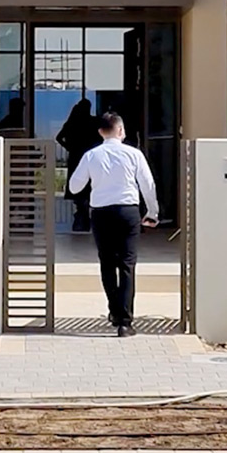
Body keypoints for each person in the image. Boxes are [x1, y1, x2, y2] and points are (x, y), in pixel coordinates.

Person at [66, 112, 160, 337]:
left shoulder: (91, 156)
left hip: (101, 213)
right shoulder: (134, 154)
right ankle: (125, 323)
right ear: (120, 130)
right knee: (127, 264)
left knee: (107, 263)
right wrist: (153, 212)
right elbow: (147, 184)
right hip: (128, 211)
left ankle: (115, 312)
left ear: (100, 132)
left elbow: (74, 186)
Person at [55, 98, 103, 232]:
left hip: (76, 156)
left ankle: (81, 212)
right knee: (88, 183)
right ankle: (83, 211)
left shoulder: (73, 122)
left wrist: (69, 147)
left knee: (79, 183)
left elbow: (59, 137)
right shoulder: (93, 122)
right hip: (88, 157)